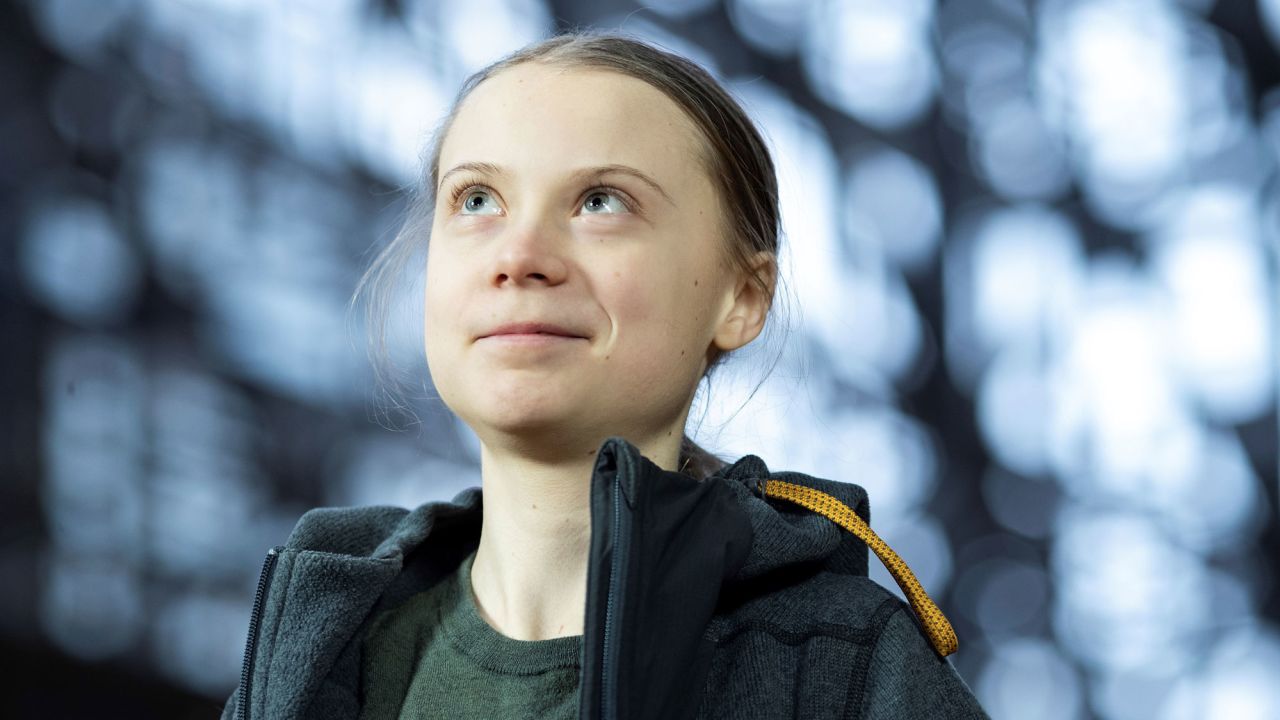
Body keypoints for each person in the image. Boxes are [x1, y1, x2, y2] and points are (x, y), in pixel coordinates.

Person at [221, 32, 989, 720]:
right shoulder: (321, 645)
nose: (518, 255)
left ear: (742, 298)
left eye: (600, 201)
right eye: (477, 199)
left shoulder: (844, 668)